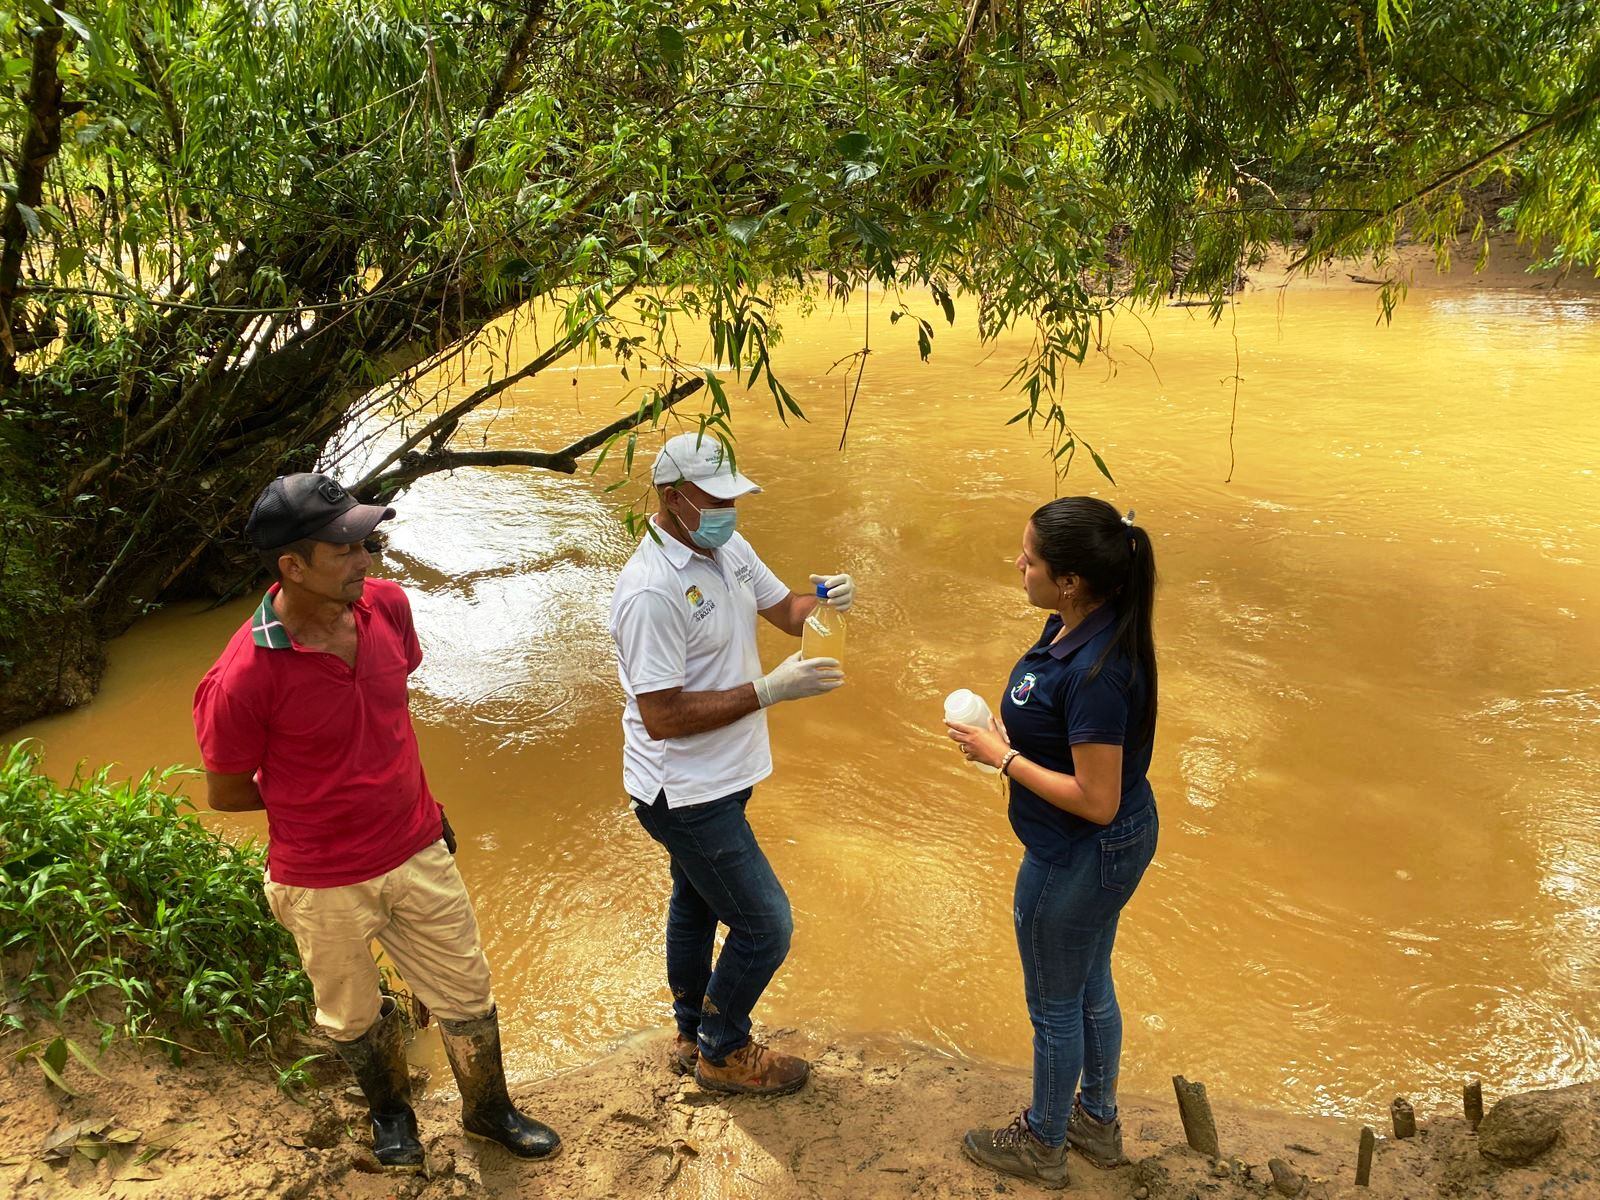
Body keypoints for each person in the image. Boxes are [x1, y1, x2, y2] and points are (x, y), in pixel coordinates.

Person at [192, 473, 560, 1171]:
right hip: (321, 877)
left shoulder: (386, 608)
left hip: (416, 844)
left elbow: (388, 718)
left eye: (365, 542)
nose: (366, 561)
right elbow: (226, 791)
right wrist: (322, 798)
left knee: (467, 992)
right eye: (344, 550)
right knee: (352, 1016)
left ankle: (489, 1111)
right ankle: (392, 1115)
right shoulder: (242, 676)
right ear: (291, 566)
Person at [608, 432, 855, 1097]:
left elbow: (785, 613)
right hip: (684, 790)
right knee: (765, 925)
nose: (730, 511)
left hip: (726, 773)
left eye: (734, 499)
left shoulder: (726, 546)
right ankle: (723, 1048)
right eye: (716, 500)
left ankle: (692, 1033)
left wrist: (824, 598)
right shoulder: (651, 592)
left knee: (695, 902)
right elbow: (661, 715)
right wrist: (768, 691)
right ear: (673, 497)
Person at [945, 497, 1160, 1190]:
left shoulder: (1098, 672)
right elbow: (1077, 756)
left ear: (1069, 579)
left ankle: (1043, 1140)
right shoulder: (1081, 628)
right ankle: (1094, 1121)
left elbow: (1095, 801)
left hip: (1080, 852)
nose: (1019, 563)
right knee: (1090, 981)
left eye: (1030, 557)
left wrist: (998, 758)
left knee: (1055, 1004)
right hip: (1107, 841)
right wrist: (1013, 739)